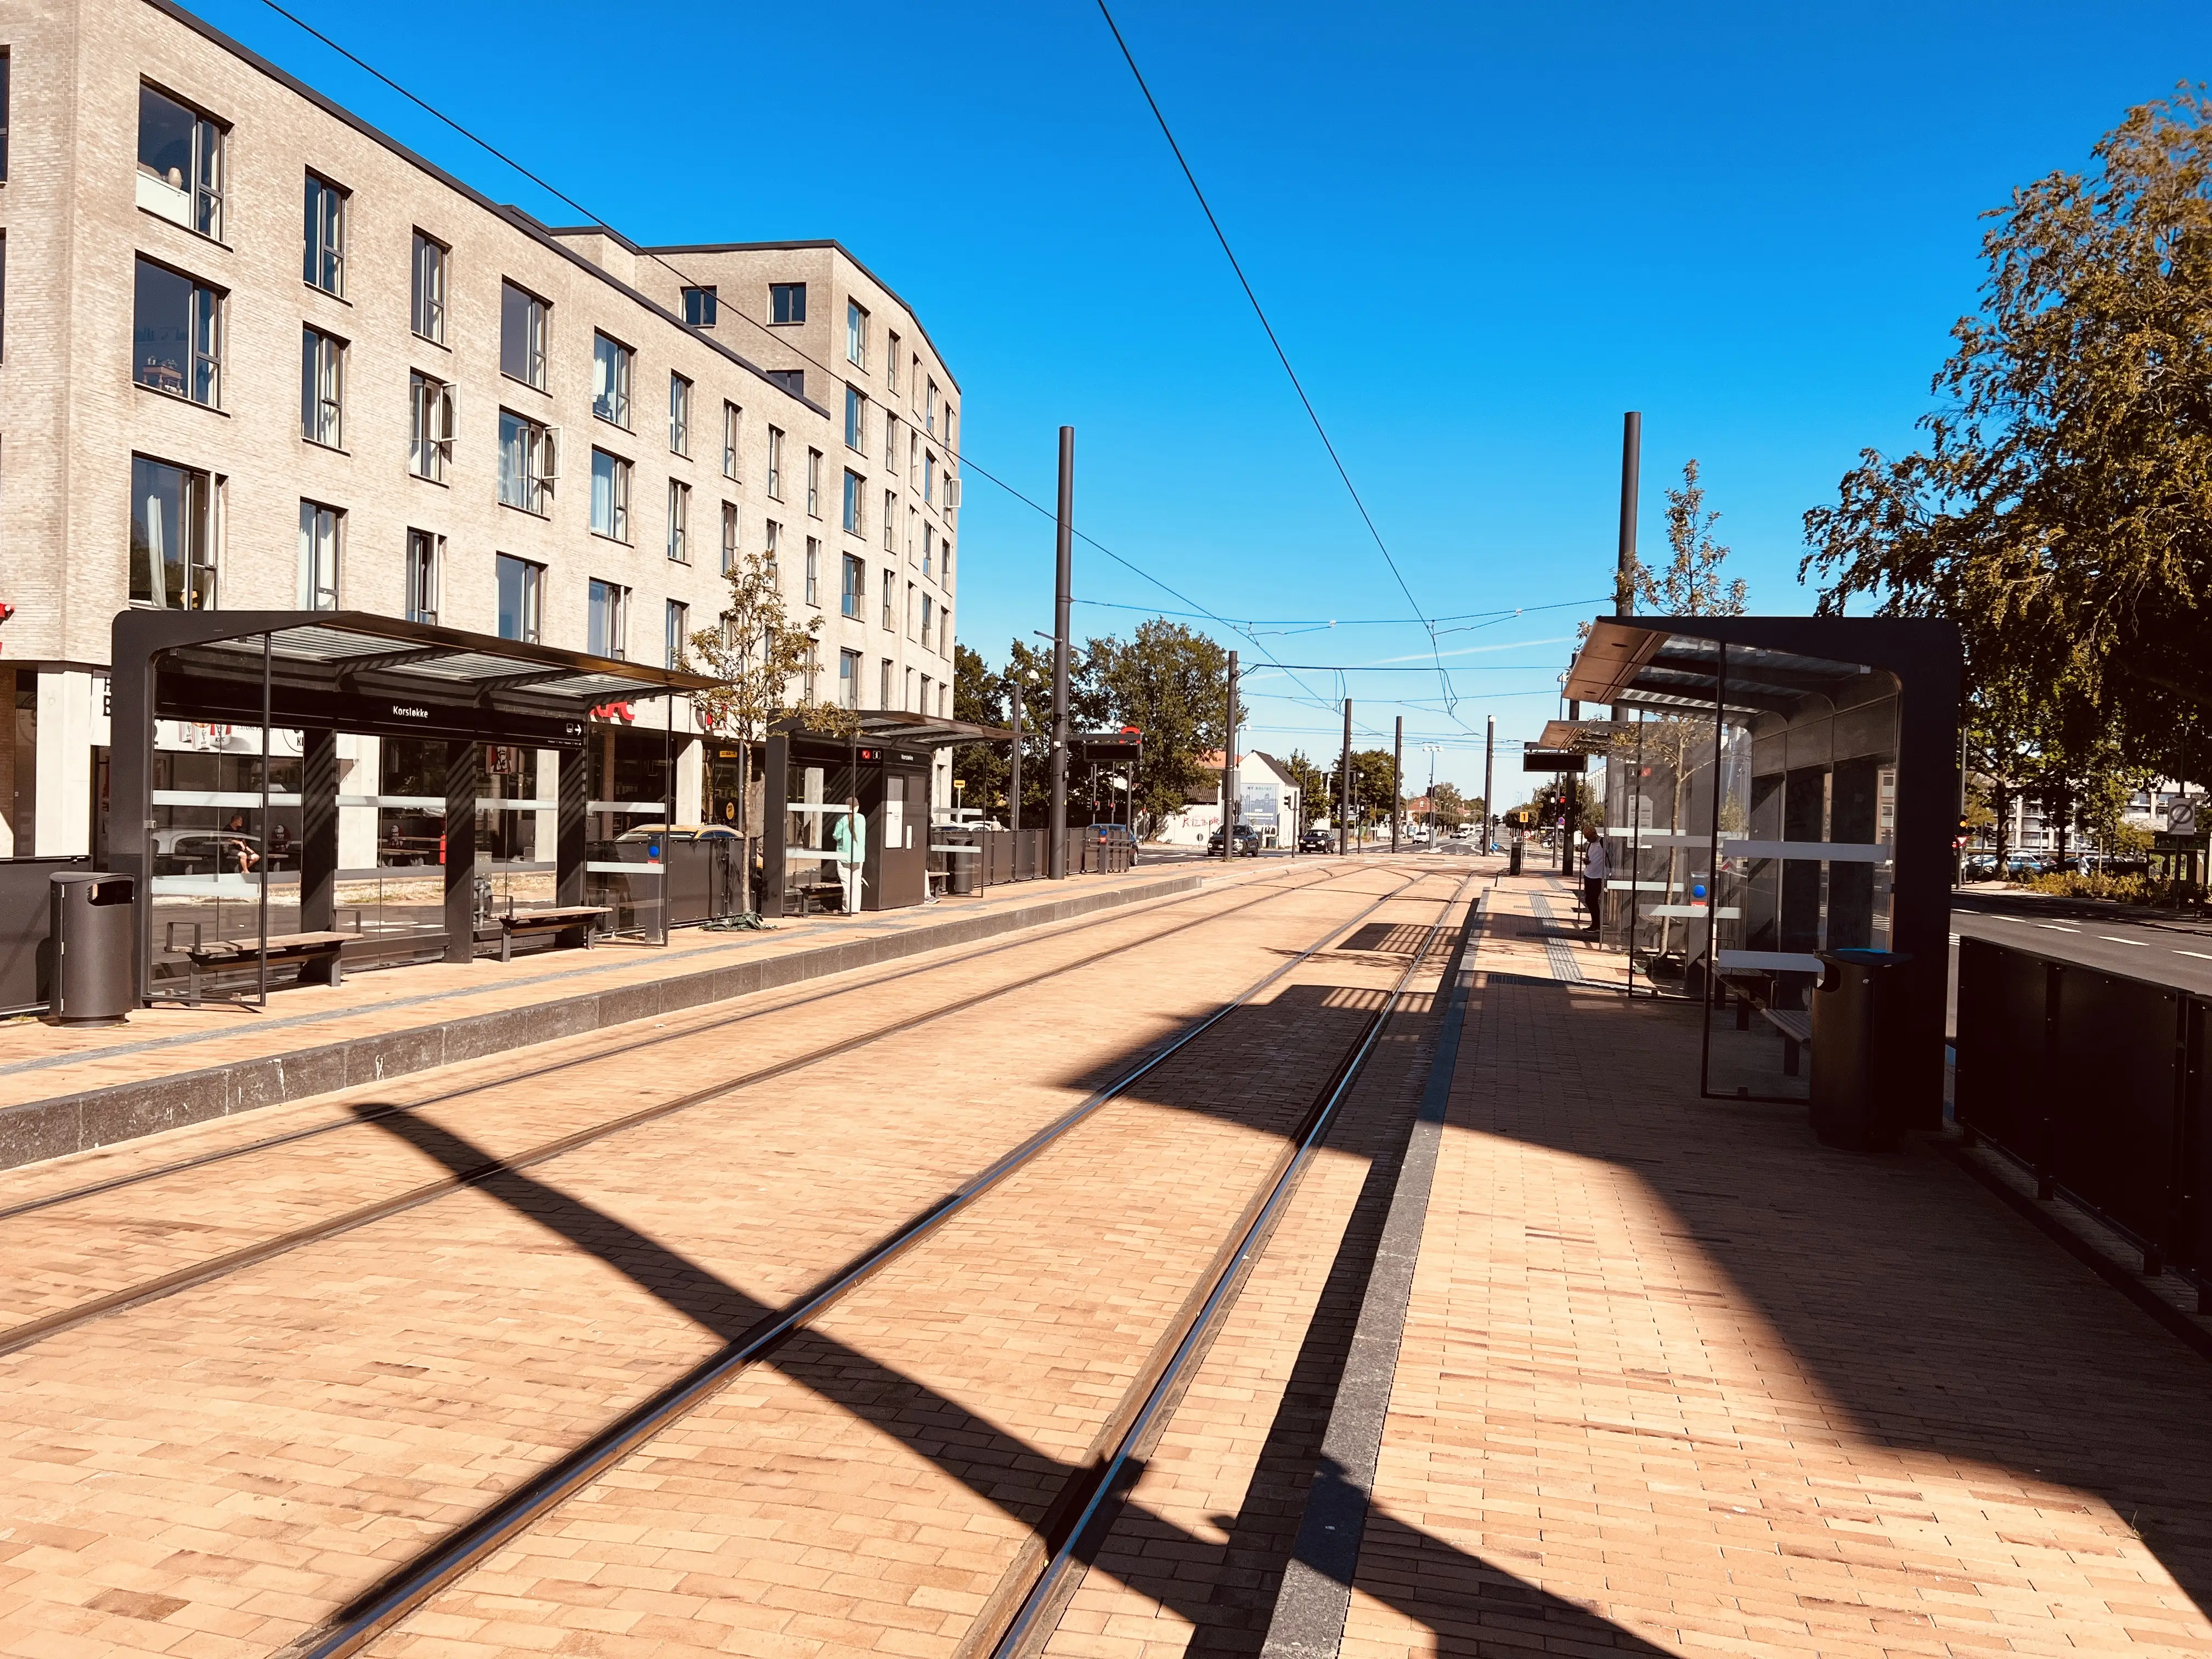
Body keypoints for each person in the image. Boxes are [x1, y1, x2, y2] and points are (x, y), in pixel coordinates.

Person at [830, 795, 866, 914]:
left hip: (843, 855)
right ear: (858, 807)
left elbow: (836, 835)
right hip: (859, 856)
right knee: (856, 883)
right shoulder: (862, 819)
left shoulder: (842, 819)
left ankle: (847, 908)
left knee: (846, 883)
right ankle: (855, 908)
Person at [1582, 831, 1609, 935]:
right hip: (1589, 875)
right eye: (1586, 838)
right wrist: (1586, 861)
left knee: (1593, 900)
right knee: (1589, 900)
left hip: (1599, 876)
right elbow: (1588, 857)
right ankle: (1595, 923)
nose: (1588, 840)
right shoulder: (1589, 845)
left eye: (1588, 837)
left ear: (1594, 834)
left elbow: (1608, 855)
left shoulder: (1602, 842)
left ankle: (1597, 925)